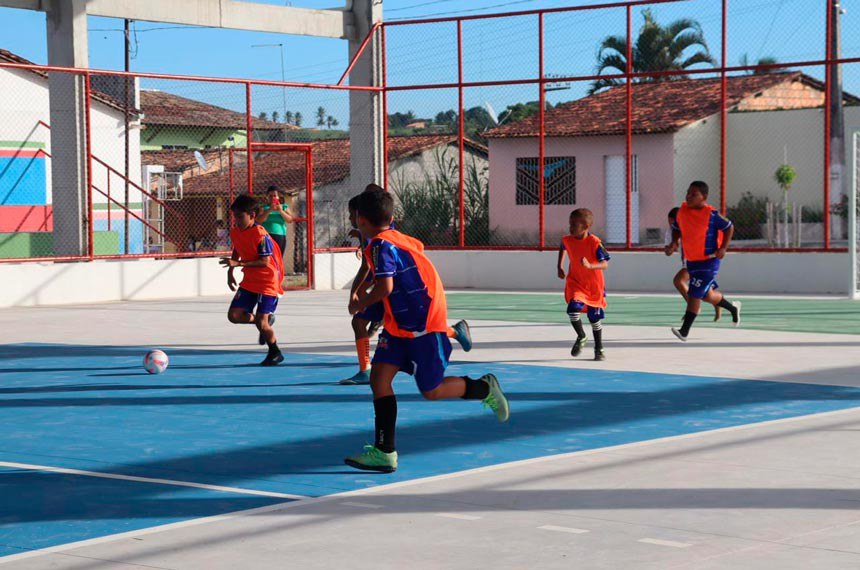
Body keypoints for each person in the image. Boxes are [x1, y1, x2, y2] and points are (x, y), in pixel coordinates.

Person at [344, 187, 509, 473]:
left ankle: (485, 388)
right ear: (391, 217)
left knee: (431, 391)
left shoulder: (383, 245)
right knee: (379, 379)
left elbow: (385, 286)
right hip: (399, 326)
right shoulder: (389, 240)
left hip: (423, 327)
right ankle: (385, 452)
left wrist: (360, 303)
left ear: (360, 219)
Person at [339, 188, 472, 386]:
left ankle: (367, 369)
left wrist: (357, 295)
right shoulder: (376, 230)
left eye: (352, 214)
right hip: (388, 286)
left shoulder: (376, 237)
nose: (350, 218)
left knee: (366, 324)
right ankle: (454, 331)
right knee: (370, 325)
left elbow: (369, 268)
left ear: (361, 217)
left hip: (392, 289)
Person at [665, 181, 741, 341]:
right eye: (688, 192)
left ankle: (684, 331)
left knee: (694, 294)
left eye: (694, 194)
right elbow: (676, 229)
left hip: (709, 261)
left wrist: (723, 248)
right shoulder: (682, 212)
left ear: (704, 197)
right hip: (692, 261)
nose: (689, 196)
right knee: (707, 295)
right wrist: (674, 242)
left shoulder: (711, 215)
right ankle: (732, 308)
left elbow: (729, 227)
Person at [219, 194, 285, 366]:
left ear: (252, 215)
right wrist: (231, 272)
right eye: (235, 216)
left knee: (262, 324)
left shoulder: (260, 235)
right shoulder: (236, 232)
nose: (237, 220)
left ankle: (275, 352)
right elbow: (237, 248)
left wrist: (238, 263)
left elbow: (265, 262)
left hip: (267, 282)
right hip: (250, 280)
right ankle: (264, 320)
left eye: (240, 217)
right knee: (234, 315)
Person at [556, 208, 610, 361]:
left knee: (594, 318)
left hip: (593, 286)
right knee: (573, 309)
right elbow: (563, 247)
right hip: (576, 282)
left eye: (574, 225)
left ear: (586, 227)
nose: (570, 228)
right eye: (570, 224)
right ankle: (581, 335)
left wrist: (590, 266)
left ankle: (599, 348)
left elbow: (605, 264)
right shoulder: (567, 240)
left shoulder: (594, 242)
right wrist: (559, 266)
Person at [666, 207, 721, 322]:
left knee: (679, 280)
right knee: (708, 295)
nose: (671, 225)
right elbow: (668, 251)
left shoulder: (691, 227)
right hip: (687, 263)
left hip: (698, 262)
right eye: (670, 222)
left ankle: (693, 308)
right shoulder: (671, 232)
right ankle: (722, 305)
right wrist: (670, 249)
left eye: (673, 222)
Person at [257, 185, 294, 260]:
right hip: (265, 236)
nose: (272, 198)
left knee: (278, 258)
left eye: (275, 196)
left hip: (279, 235)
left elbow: (290, 220)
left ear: (278, 197)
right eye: (270, 196)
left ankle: (277, 268)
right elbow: (259, 220)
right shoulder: (263, 208)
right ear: (267, 197)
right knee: (266, 258)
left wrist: (280, 211)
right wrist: (269, 209)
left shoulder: (284, 207)